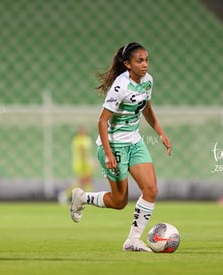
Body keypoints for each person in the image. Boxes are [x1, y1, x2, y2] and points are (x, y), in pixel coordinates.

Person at [70, 42, 171, 252]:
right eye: (139, 61)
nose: (145, 65)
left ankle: (133, 240)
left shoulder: (148, 81)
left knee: (151, 189)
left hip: (134, 141)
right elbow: (101, 121)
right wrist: (108, 154)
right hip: (115, 144)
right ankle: (81, 197)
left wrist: (160, 133)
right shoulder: (120, 86)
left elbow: (147, 109)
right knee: (118, 201)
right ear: (127, 64)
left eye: (146, 60)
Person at [58, 127, 94, 204]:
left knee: (87, 181)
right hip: (82, 163)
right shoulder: (78, 140)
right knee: (83, 181)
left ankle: (88, 197)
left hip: (83, 162)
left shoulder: (86, 139)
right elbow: (82, 151)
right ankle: (66, 194)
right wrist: (89, 160)